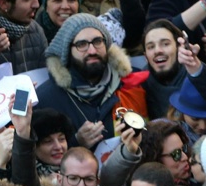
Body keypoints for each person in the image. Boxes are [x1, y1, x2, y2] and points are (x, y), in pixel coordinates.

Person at [35, 13, 147, 145]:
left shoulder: (132, 82)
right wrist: (76, 142)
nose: (92, 50)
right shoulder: (45, 98)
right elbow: (39, 155)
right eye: (82, 44)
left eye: (98, 41)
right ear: (67, 51)